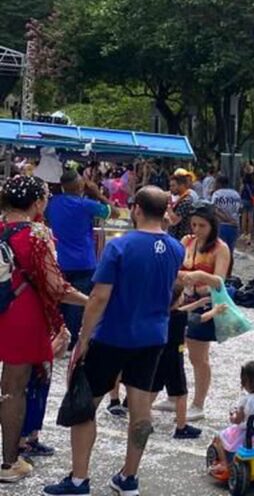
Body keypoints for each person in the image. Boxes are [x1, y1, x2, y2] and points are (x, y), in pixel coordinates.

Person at [43, 186, 185, 496]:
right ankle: (128, 477)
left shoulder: (119, 247)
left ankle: (79, 479)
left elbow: (98, 297)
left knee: (85, 405)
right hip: (152, 338)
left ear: (135, 209)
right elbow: (173, 291)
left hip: (112, 336)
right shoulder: (176, 249)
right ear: (163, 212)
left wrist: (83, 339)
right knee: (140, 410)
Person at [0, 176, 89, 483]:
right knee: (13, 389)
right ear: (37, 202)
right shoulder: (37, 233)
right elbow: (56, 286)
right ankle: (10, 463)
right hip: (22, 314)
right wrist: (91, 301)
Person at [45, 170, 115, 349]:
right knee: (79, 303)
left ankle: (57, 336)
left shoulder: (52, 203)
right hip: (84, 261)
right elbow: (113, 212)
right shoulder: (86, 204)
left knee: (59, 298)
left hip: (59, 259)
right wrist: (96, 193)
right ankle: (73, 342)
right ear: (79, 185)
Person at [178, 203, 231, 422]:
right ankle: (175, 395)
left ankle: (198, 403)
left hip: (205, 304)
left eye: (202, 225)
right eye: (193, 225)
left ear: (212, 226)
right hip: (182, 301)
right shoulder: (187, 241)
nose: (197, 229)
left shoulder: (220, 248)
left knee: (198, 356)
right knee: (176, 351)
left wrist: (198, 280)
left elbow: (219, 281)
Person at [151, 280, 220, 440]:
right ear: (177, 299)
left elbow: (181, 309)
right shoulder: (180, 317)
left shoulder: (162, 312)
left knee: (153, 389)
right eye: (182, 294)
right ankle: (181, 427)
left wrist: (198, 303)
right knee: (181, 393)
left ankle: (143, 420)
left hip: (159, 355)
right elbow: (200, 318)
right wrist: (215, 310)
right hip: (175, 358)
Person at [208, 361, 254, 480]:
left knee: (219, 437)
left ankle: (225, 464)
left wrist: (232, 417)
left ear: (246, 382)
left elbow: (237, 420)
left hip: (248, 434)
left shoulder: (246, 400)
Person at [18, 328, 70, 459]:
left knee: (40, 404)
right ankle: (21, 443)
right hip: (32, 369)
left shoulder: (50, 321)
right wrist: (57, 342)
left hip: (44, 370)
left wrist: (63, 342)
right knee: (30, 404)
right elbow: (39, 354)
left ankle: (32, 439)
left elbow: (55, 355)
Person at [211, 175, 242, 257]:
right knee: (230, 251)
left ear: (219, 183)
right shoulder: (235, 194)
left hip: (221, 225)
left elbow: (215, 210)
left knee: (220, 251)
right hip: (234, 226)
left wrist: (227, 219)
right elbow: (239, 209)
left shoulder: (217, 194)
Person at [167, 174, 196, 240]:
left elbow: (174, 220)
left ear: (182, 186)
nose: (171, 188)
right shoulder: (181, 199)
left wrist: (168, 205)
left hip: (182, 238)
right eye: (170, 186)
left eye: (173, 185)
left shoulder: (186, 201)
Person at [239, 173, 254, 243]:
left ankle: (244, 233)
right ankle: (249, 234)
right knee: (251, 218)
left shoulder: (243, 185)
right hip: (251, 201)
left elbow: (240, 193)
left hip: (244, 201)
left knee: (244, 217)